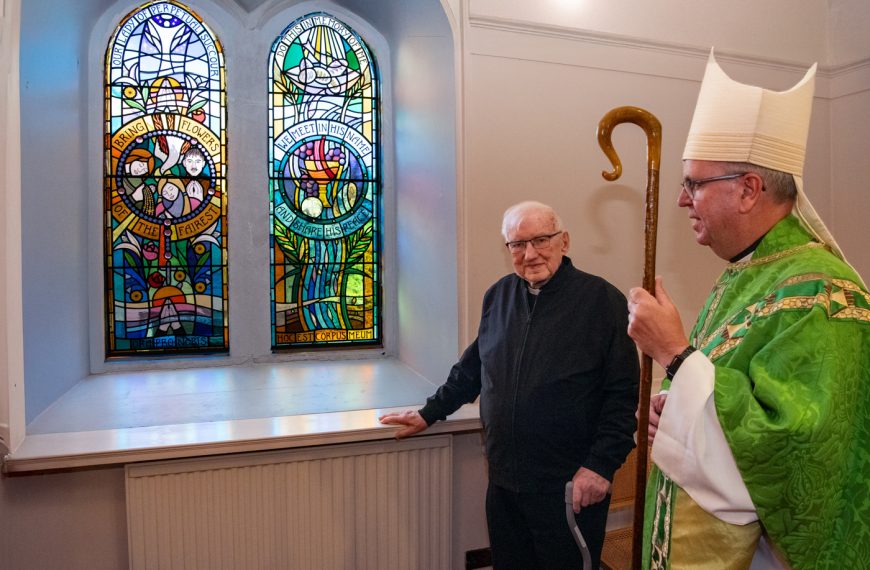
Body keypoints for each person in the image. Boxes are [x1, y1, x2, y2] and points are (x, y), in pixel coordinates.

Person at [627, 50, 870, 569]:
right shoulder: (746, 273)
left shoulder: (823, 294)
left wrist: (673, 354)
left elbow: (794, 449)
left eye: (693, 183)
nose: (681, 200)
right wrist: (674, 411)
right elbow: (727, 394)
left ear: (748, 190)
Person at [380, 201, 639, 569]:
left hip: (569, 487)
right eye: (517, 244)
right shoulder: (498, 296)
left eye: (541, 240)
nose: (529, 254)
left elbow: (622, 395)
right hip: (504, 483)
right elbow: (472, 369)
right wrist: (429, 413)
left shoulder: (601, 301)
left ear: (564, 241)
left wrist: (600, 467)